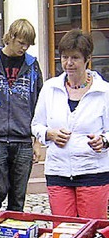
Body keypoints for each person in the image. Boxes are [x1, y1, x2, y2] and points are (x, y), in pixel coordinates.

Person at [31, 29, 109, 219]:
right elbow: (36, 125)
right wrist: (49, 134)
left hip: (93, 172)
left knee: (91, 233)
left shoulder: (104, 91)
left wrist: (104, 140)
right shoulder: (50, 88)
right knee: (63, 232)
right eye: (64, 57)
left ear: (87, 59)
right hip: (58, 171)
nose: (69, 63)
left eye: (75, 58)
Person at [0, 18, 43, 211]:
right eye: (21, 43)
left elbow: (39, 106)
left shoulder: (32, 65)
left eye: (28, 44)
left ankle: (14, 236)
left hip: (23, 139)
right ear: (10, 37)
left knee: (18, 197)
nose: (24, 48)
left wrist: (37, 141)